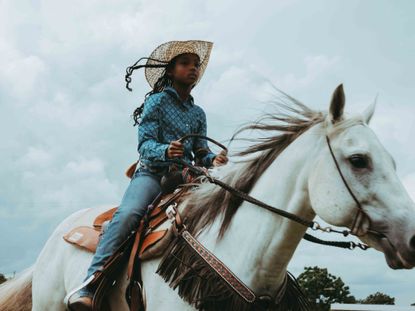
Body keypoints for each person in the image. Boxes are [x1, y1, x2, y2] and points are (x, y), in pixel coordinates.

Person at [67, 40, 228, 310]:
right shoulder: (157, 102)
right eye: (185, 63)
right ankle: (90, 284)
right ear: (171, 70)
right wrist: (168, 151)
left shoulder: (198, 113)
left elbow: (202, 152)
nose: (193, 69)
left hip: (188, 179)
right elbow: (145, 145)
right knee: (129, 214)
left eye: (196, 65)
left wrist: (215, 159)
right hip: (153, 175)